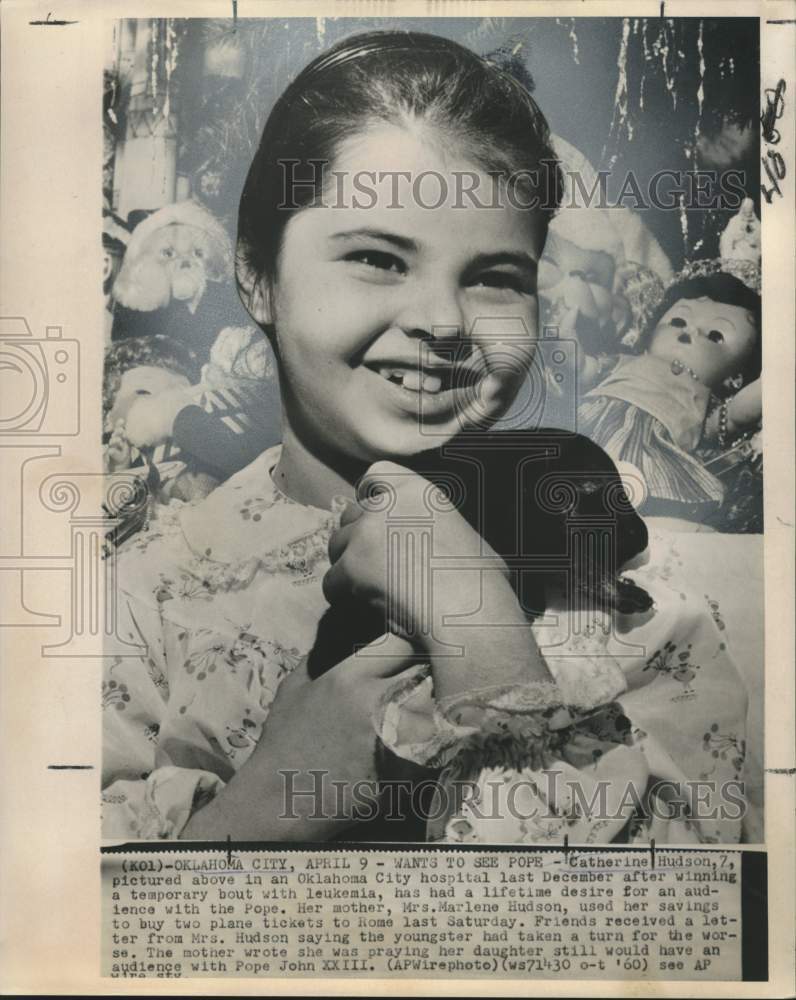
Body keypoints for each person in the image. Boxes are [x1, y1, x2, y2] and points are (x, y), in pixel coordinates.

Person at [102, 30, 753, 844]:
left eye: (493, 278)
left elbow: (684, 939)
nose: (443, 322)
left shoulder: (627, 583)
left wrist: (477, 629)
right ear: (258, 278)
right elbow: (69, 941)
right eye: (377, 258)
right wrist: (261, 806)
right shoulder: (141, 605)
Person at [575, 268, 762, 521]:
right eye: (678, 322)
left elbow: (734, 416)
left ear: (735, 378)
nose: (689, 332)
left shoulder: (703, 398)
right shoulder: (625, 361)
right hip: (591, 420)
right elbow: (585, 370)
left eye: (715, 336)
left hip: (653, 450)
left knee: (629, 488)